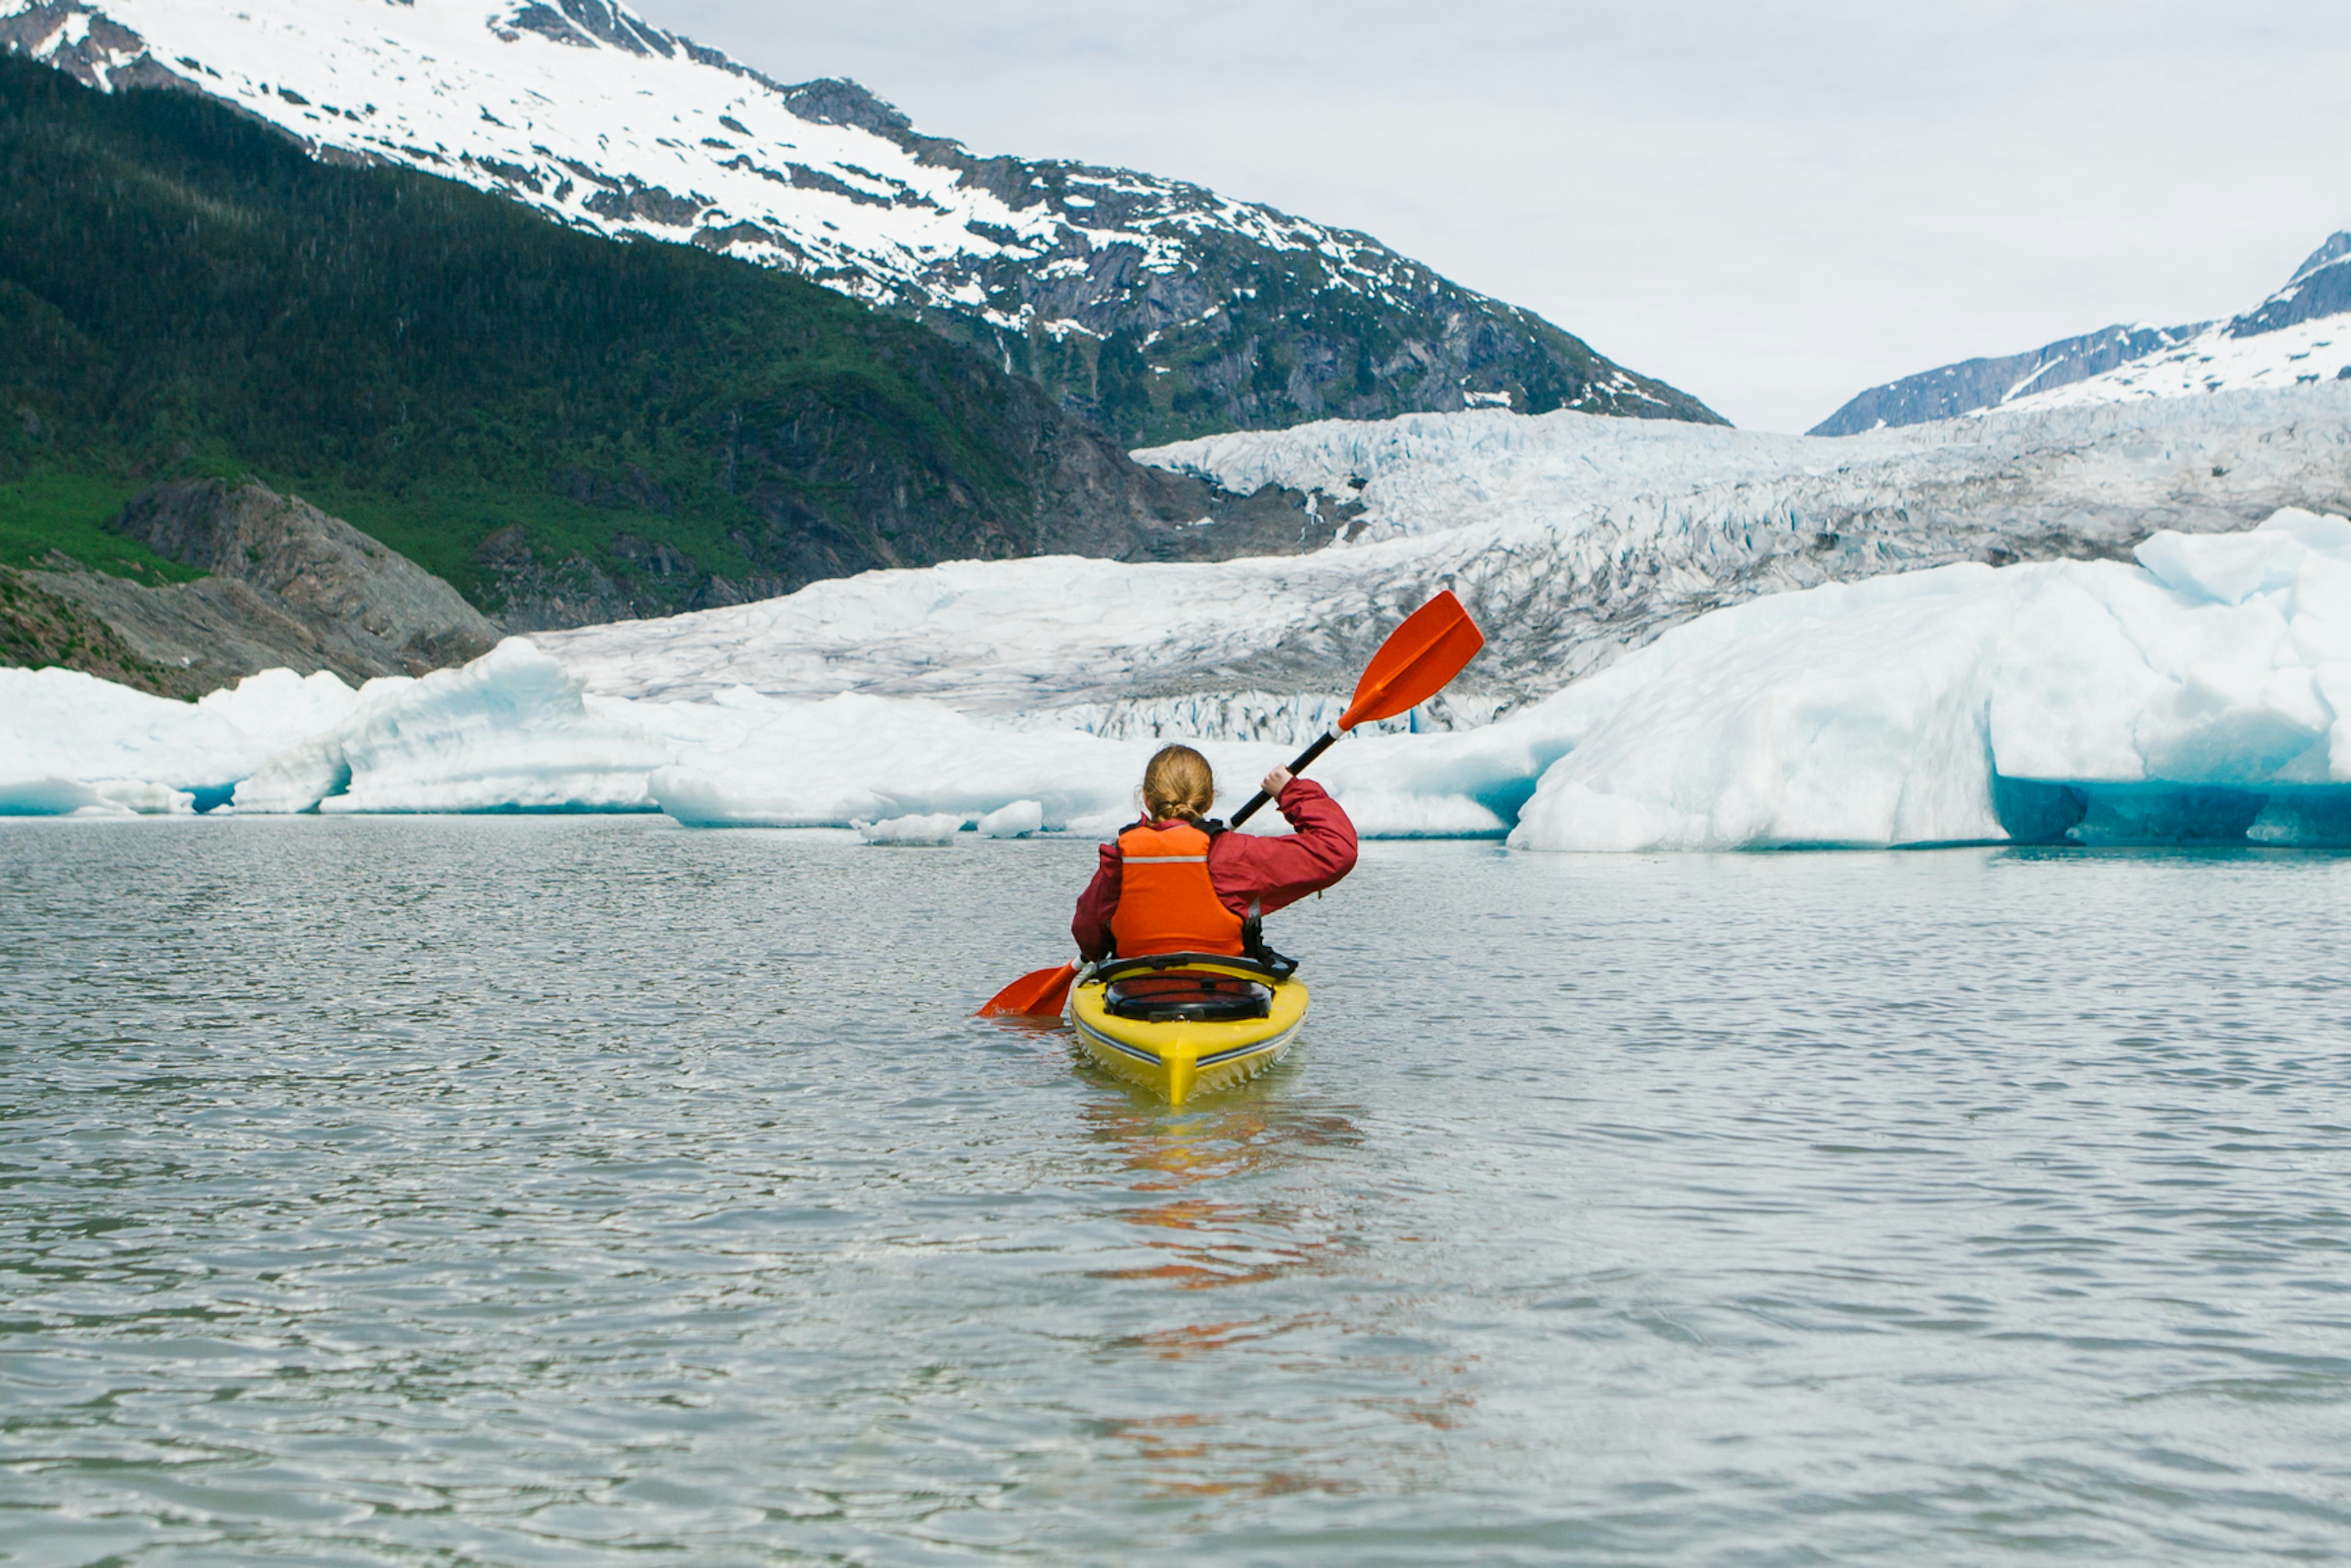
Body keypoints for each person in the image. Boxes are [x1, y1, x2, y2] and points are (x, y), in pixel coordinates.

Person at [1072, 743, 1357, 963]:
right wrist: (1290, 791)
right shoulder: (1234, 854)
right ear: (1209, 800)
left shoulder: (1120, 856)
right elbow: (1336, 848)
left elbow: (1090, 941)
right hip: (1224, 997)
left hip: (1137, 997)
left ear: (1146, 799)